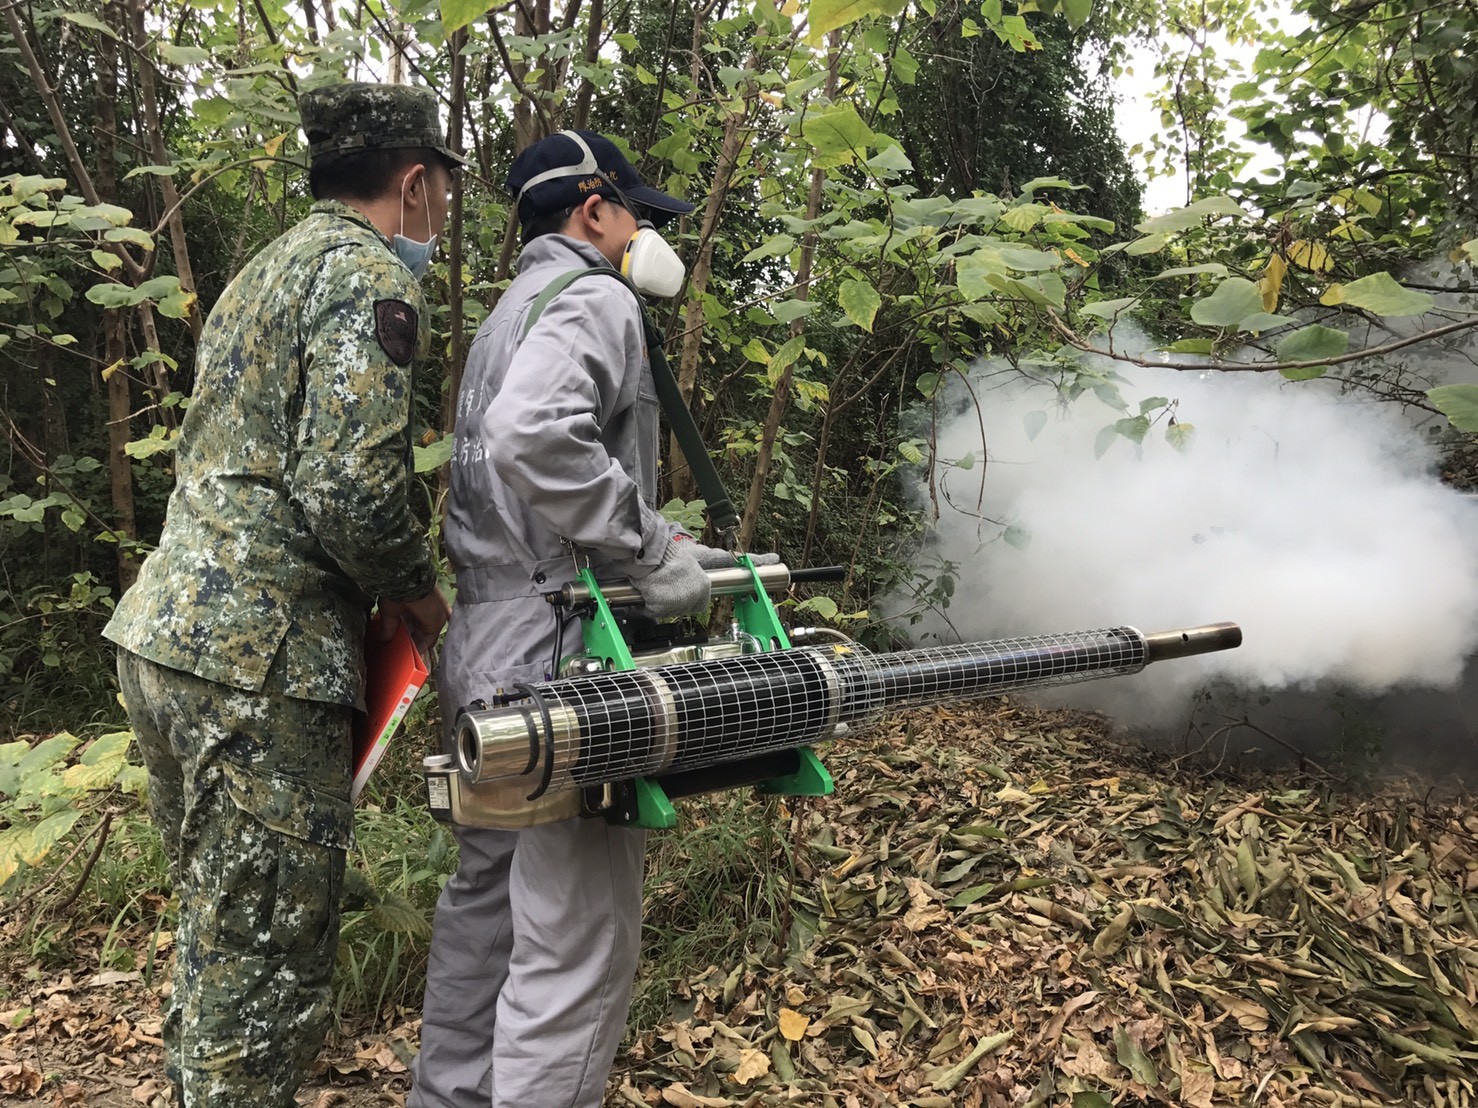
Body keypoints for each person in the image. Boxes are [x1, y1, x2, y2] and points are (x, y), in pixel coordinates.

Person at [103, 81, 458, 1108]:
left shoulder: (262, 271)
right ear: (414, 181)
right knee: (264, 975)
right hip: (258, 662)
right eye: (437, 192)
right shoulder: (365, 275)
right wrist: (418, 598)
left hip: (167, 636)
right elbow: (348, 488)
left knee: (220, 938)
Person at [411, 130, 761, 1108]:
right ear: (593, 208)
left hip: (484, 641)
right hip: (560, 651)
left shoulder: (508, 314)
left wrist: (650, 531)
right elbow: (534, 437)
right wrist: (650, 557)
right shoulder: (597, 296)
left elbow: (514, 478)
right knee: (572, 939)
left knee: (486, 910)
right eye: (638, 213)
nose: (643, 232)